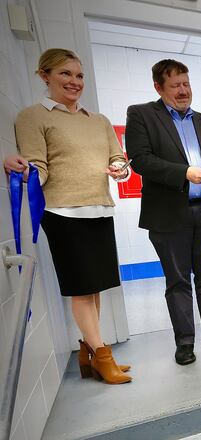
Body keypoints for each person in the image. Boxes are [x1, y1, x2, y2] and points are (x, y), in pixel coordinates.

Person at [14, 48, 131, 383]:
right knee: (81, 288)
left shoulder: (98, 121)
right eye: (65, 74)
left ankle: (90, 353)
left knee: (95, 287)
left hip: (99, 207)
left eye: (79, 75)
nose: (74, 82)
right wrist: (21, 170)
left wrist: (119, 170)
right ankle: (103, 354)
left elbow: (118, 159)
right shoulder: (33, 116)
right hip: (62, 211)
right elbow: (37, 168)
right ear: (44, 76)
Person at [125, 59, 201, 365]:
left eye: (186, 83)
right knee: (177, 281)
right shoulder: (141, 115)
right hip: (168, 214)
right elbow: (140, 160)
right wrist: (185, 173)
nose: (183, 90)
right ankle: (185, 342)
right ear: (158, 87)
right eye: (175, 85)